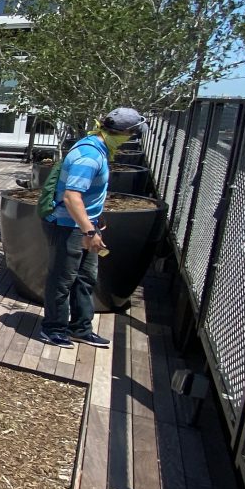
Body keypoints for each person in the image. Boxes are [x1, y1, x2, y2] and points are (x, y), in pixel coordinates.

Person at [37, 106, 144, 349]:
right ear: (124, 132)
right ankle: (53, 328)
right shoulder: (89, 156)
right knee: (62, 279)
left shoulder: (97, 146)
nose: (131, 138)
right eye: (132, 133)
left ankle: (80, 328)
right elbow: (72, 197)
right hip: (68, 226)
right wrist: (89, 231)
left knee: (85, 278)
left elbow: (86, 196)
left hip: (83, 224)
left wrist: (94, 218)